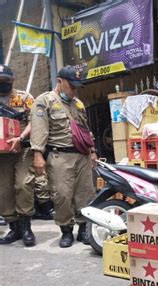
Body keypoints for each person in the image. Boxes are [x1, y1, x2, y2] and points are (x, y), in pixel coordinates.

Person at [30, 66, 96, 248]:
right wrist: (37, 154)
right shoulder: (44, 101)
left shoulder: (78, 104)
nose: (74, 90)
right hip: (60, 155)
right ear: (60, 81)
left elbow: (86, 130)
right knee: (62, 195)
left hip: (82, 155)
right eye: (71, 85)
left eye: (77, 86)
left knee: (85, 193)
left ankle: (84, 228)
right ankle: (66, 230)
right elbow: (38, 129)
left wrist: (93, 151)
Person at [0, 64, 37, 247]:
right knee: (4, 191)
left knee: (23, 185)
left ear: (12, 80)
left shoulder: (24, 98)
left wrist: (21, 137)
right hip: (2, 154)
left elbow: (34, 120)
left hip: (23, 150)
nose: (2, 84)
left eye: (5, 81)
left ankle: (26, 227)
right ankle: (14, 227)